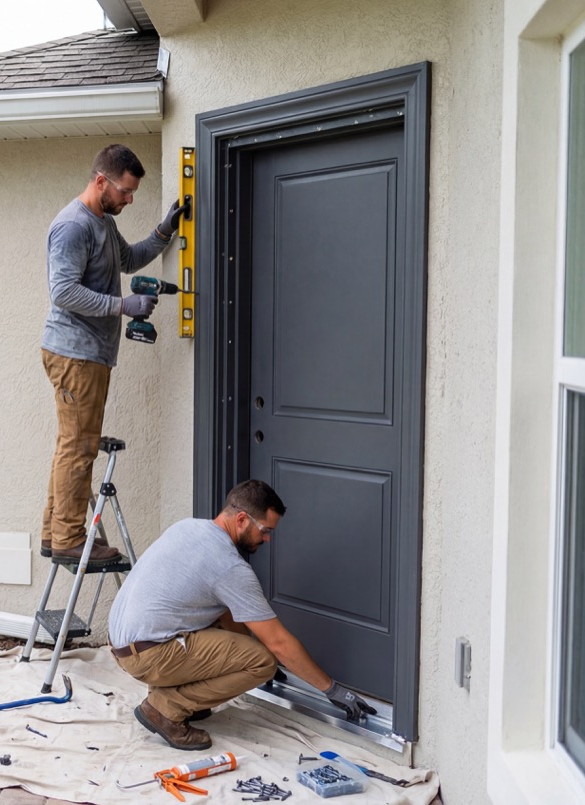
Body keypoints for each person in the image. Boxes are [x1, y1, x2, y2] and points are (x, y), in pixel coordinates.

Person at [107, 480, 377, 751]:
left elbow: (226, 613)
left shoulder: (188, 527)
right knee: (262, 662)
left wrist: (243, 652)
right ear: (241, 519)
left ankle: (175, 695)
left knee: (237, 639)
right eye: (265, 530)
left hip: (122, 643)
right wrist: (332, 689)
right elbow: (279, 643)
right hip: (148, 655)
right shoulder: (229, 567)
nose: (268, 539)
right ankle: (165, 708)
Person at [41, 144, 186, 566]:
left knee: (72, 445)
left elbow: (127, 259)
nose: (129, 199)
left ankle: (56, 533)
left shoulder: (102, 222)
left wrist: (164, 231)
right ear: (101, 181)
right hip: (75, 354)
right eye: (125, 191)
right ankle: (69, 540)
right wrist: (123, 306)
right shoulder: (73, 226)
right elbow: (63, 292)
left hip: (89, 354)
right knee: (79, 447)